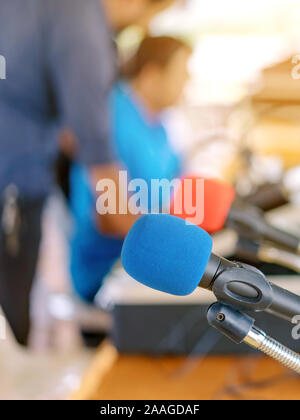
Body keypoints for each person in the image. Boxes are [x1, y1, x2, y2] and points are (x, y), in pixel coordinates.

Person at [0, 0, 176, 346]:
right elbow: (107, 192)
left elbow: (72, 132)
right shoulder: (84, 27)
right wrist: (175, 258)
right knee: (14, 321)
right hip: (14, 191)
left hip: (20, 180)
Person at [70, 36, 192, 303]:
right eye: (182, 73)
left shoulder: (159, 125)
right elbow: (109, 214)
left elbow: (175, 192)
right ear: (152, 75)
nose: (187, 82)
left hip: (145, 258)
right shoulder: (113, 117)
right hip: (108, 272)